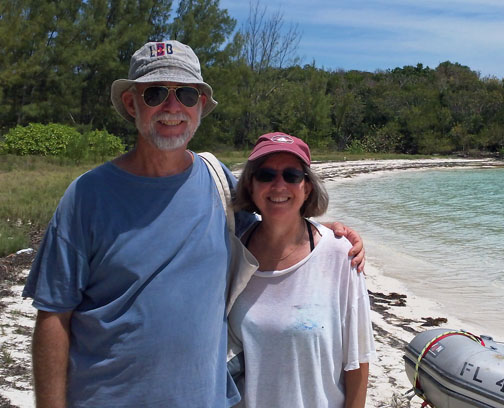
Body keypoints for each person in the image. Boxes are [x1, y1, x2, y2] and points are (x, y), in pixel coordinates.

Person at [22, 40, 365, 408]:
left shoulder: (219, 184)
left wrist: (328, 232)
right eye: (155, 93)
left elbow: (275, 225)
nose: (172, 107)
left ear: (200, 105)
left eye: (185, 94)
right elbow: (54, 316)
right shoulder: (87, 196)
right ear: (131, 103)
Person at [229, 132, 376, 408]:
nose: (278, 185)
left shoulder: (341, 254)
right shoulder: (233, 253)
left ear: (307, 187)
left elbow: (357, 362)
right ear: (250, 185)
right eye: (266, 175)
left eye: (292, 175)